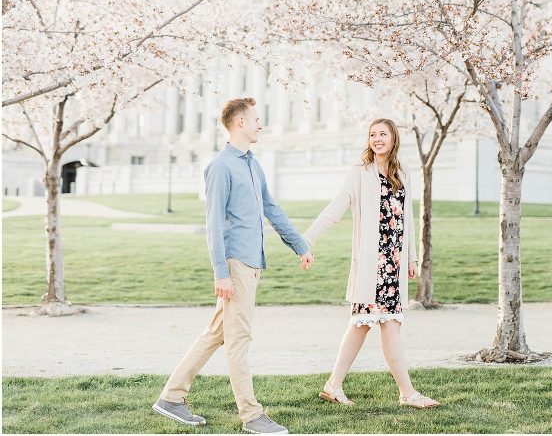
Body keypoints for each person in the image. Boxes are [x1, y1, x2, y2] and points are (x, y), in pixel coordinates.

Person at [152, 98, 313, 435]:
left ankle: (171, 397)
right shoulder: (221, 167)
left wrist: (299, 244)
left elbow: (271, 208)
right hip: (235, 265)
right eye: (256, 118)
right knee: (238, 339)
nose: (261, 124)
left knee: (216, 334)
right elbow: (213, 225)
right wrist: (221, 273)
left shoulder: (253, 164)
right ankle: (252, 417)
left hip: (251, 262)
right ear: (239, 122)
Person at [303, 119, 439, 410]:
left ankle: (395, 391)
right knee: (364, 326)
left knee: (386, 325)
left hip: (394, 264)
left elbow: (408, 220)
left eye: (383, 134)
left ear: (393, 139)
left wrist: (412, 257)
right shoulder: (360, 173)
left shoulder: (402, 173)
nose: (377, 139)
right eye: (373, 135)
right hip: (371, 265)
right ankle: (397, 392)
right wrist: (307, 240)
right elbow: (335, 208)